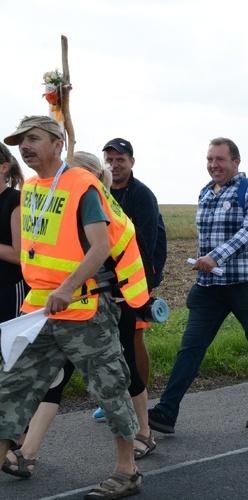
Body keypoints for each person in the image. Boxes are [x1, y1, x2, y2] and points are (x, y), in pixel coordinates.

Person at [0, 115, 148, 498]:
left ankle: (126, 470)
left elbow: (100, 246)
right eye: (20, 141)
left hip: (84, 309)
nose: (24, 147)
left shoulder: (82, 185)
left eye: (32, 139)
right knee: (12, 385)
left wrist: (67, 286)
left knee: (110, 388)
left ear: (56, 144)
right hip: (40, 310)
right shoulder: (31, 188)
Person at [148, 137, 248, 434]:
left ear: (236, 161)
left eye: (220, 159)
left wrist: (214, 257)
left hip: (246, 283)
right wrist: (204, 263)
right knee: (191, 346)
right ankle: (167, 412)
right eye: (209, 159)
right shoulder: (206, 194)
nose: (213, 165)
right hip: (209, 287)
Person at [103, 138, 167, 399]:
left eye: (120, 159)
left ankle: (140, 395)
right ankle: (118, 395)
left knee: (134, 336)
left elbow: (146, 242)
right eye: (109, 159)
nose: (114, 165)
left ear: (132, 162)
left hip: (136, 275)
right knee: (110, 339)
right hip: (108, 277)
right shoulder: (102, 192)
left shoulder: (141, 194)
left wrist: (134, 282)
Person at [0, 142, 25, 323]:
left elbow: (19, 254)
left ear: (4, 167)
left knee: (10, 350)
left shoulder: (15, 200)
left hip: (8, 288)